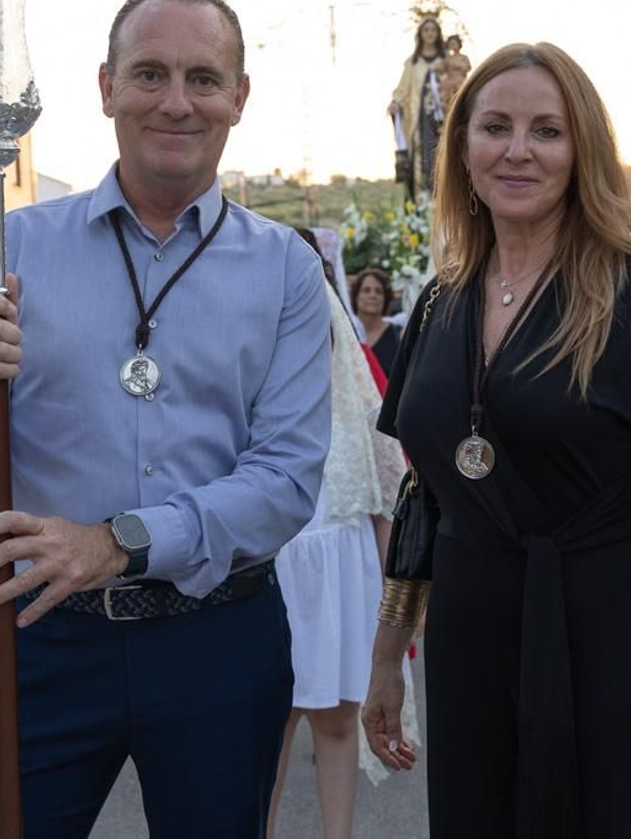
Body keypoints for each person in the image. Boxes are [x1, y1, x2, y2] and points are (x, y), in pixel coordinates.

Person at [0, 0, 332, 837]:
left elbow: (286, 483)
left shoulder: (286, 267)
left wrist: (116, 543)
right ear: (105, 87)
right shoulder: (16, 242)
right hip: (46, 639)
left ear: (238, 99)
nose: (177, 101)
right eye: (149, 73)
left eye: (203, 78)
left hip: (219, 636)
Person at [358, 42, 631, 835]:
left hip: (613, 622)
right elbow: (425, 488)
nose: (519, 150)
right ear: (462, 150)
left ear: (581, 150)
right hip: (472, 626)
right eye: (495, 127)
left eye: (547, 130)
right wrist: (387, 652)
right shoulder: (437, 302)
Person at [267, 263, 404, 839]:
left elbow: (386, 501)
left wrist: (400, 611)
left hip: (342, 564)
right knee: (271, 722)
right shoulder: (255, 393)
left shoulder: (349, 400)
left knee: (338, 718)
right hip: (272, 565)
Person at [388, 17, 447, 198]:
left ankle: (442, 198)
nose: (429, 34)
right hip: (419, 119)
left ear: (438, 35)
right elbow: (403, 88)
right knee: (421, 160)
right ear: (420, 34)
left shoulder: (446, 61)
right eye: (426, 30)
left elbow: (455, 87)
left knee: (441, 156)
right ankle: (421, 204)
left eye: (433, 30)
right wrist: (395, 102)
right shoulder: (412, 63)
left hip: (442, 119)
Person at [350, 267, 402, 376]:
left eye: (379, 291)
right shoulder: (347, 333)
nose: (373, 295)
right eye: (366, 290)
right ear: (356, 296)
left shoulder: (399, 335)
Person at [438, 34, 472, 110]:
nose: (452, 46)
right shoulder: (448, 58)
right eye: (451, 44)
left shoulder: (463, 57)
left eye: (454, 44)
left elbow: (468, 67)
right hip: (449, 82)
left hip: (460, 81)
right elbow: (441, 69)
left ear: (459, 44)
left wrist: (459, 66)